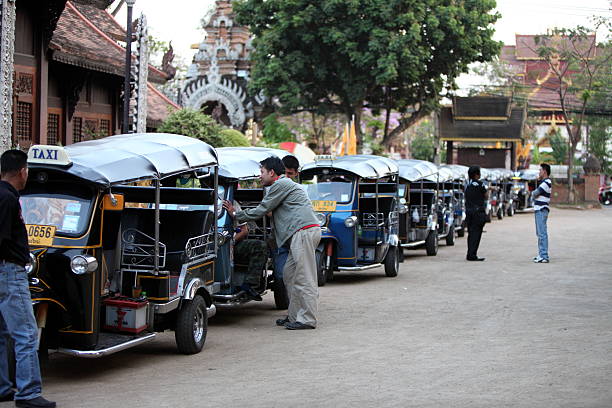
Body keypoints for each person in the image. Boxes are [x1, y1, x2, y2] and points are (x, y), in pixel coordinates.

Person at [223, 157, 321, 330]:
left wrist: (236, 214)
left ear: (272, 173)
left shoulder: (281, 185)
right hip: (299, 234)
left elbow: (263, 209)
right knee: (289, 276)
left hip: (303, 232)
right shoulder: (280, 186)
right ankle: (294, 316)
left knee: (304, 278)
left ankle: (307, 319)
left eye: (262, 172)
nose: (259, 176)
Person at [0, 150, 56, 408]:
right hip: (9, 273)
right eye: (28, 171)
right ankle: (28, 393)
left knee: (3, 333)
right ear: (22, 171)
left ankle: (3, 387)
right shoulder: (8, 199)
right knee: (25, 333)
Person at [230, 200, 266, 301]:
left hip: (232, 243)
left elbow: (244, 230)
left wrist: (231, 242)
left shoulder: (232, 203)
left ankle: (250, 284)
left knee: (260, 246)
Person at [464, 165, 487, 262]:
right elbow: (486, 196)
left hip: (469, 212)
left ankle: (470, 253)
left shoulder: (467, 186)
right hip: (478, 213)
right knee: (476, 234)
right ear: (477, 175)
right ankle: (472, 255)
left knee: (471, 233)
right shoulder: (481, 184)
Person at [532, 163, 552, 263]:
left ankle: (544, 255)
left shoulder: (546, 182)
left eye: (540, 170)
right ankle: (541, 254)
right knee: (540, 233)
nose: (539, 172)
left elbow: (535, 193)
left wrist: (534, 194)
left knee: (542, 233)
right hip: (539, 209)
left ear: (544, 171)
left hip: (541, 209)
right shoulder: (544, 182)